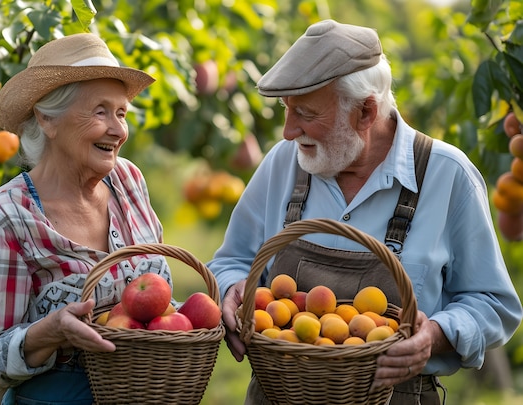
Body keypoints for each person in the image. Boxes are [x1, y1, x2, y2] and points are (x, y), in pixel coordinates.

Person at [207, 19, 522, 405]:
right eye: (287, 111)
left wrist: (436, 334)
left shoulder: (446, 176)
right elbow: (232, 260)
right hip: (281, 392)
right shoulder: (282, 164)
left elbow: (494, 304)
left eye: (305, 114)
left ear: (366, 113)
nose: (289, 131)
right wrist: (232, 288)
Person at [0, 33, 171, 405]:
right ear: (47, 119)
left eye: (121, 113)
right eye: (100, 111)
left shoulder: (128, 180)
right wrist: (50, 331)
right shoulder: (5, 216)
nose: (118, 130)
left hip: (146, 389)